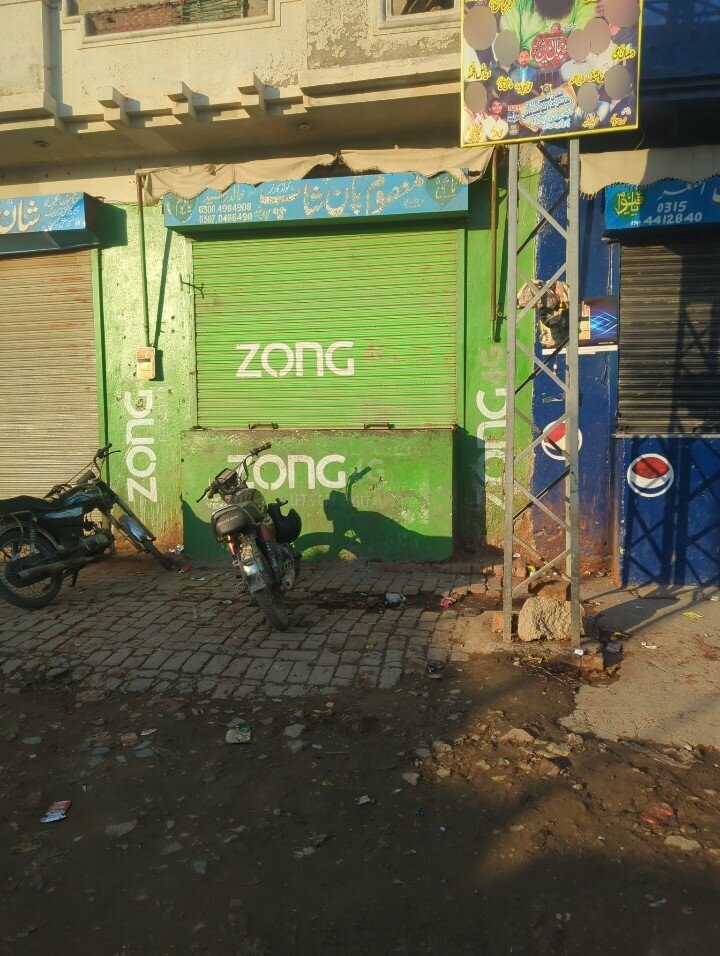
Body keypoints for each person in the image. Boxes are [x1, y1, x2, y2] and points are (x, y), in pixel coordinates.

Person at [501, 0, 596, 56]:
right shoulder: (513, 3)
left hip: (568, 68)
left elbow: (580, 47)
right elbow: (509, 51)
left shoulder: (585, 3)